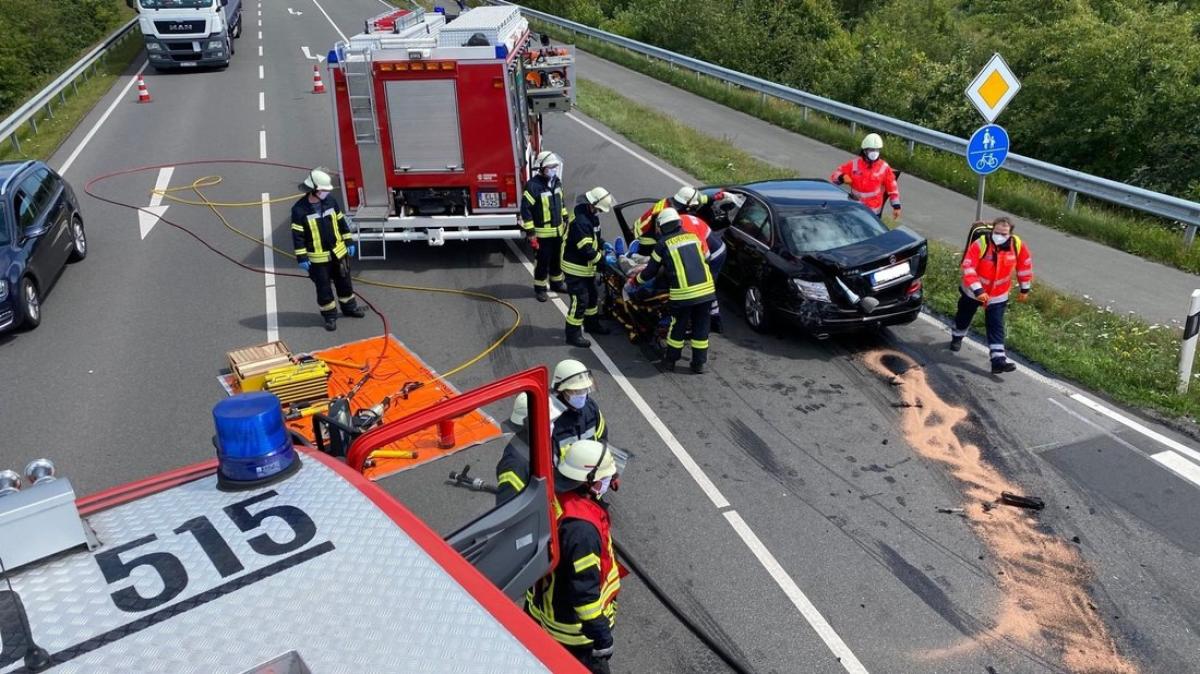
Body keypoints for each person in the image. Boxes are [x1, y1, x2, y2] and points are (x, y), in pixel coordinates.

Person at [526, 439, 622, 674]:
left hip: (548, 606)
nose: (610, 481)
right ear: (589, 481)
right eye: (606, 477)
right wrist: (601, 635)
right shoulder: (582, 530)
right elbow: (584, 595)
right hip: (575, 634)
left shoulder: (558, 497)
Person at [495, 359, 607, 503]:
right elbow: (512, 505)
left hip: (586, 485)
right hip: (559, 495)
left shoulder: (590, 409)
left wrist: (607, 469)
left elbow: (601, 438)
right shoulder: (519, 459)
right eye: (576, 391)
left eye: (585, 390)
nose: (582, 395)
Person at [635, 208, 716, 374]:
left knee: (677, 327)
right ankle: (698, 364)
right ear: (678, 223)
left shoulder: (662, 244)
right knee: (701, 328)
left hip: (684, 295)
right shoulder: (694, 237)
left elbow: (650, 272)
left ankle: (670, 361)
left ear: (662, 226)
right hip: (707, 292)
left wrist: (635, 281)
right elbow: (704, 258)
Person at [951, 217, 1034, 374]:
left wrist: (1025, 289)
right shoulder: (981, 243)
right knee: (964, 316)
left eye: (1004, 233)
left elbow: (1025, 266)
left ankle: (998, 361)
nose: (1000, 236)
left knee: (995, 325)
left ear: (1010, 234)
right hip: (972, 292)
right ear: (992, 230)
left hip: (998, 295)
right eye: (997, 232)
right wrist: (978, 290)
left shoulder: (1016, 245)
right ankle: (957, 337)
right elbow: (968, 267)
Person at [291, 168, 365, 331]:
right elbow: (298, 236)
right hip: (318, 259)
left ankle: (350, 308)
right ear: (314, 189)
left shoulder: (331, 201)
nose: (326, 192)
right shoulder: (299, 210)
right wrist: (302, 258)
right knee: (323, 288)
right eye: (323, 190)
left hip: (339, 253)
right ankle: (330, 316)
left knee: (344, 282)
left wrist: (348, 240)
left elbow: (341, 222)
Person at [562, 188, 617, 348]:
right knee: (580, 301)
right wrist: (603, 262)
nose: (600, 212)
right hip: (575, 268)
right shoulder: (580, 221)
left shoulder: (591, 217)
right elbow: (585, 249)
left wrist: (603, 244)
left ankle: (592, 324)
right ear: (592, 204)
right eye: (599, 209)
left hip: (586, 268)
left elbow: (595, 238)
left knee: (592, 296)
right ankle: (572, 334)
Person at [521, 151, 570, 302]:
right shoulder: (533, 186)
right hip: (543, 235)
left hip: (557, 232)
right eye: (551, 166)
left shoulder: (556, 182)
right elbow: (526, 209)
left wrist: (565, 214)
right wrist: (530, 232)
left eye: (555, 166)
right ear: (542, 168)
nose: (554, 169)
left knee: (556, 260)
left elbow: (560, 201)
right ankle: (540, 288)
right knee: (543, 262)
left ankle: (556, 283)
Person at [830, 133, 901, 221]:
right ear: (864, 150)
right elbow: (835, 175)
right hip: (855, 208)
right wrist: (842, 177)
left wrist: (896, 206)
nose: (874, 152)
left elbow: (892, 188)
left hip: (873, 212)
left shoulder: (884, 167)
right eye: (871, 150)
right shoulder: (854, 164)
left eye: (877, 150)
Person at [631, 185, 721, 250]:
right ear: (687, 203)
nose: (694, 207)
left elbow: (699, 199)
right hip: (646, 241)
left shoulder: (671, 201)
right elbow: (666, 236)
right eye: (693, 205)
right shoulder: (671, 214)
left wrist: (718, 196)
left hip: (638, 228)